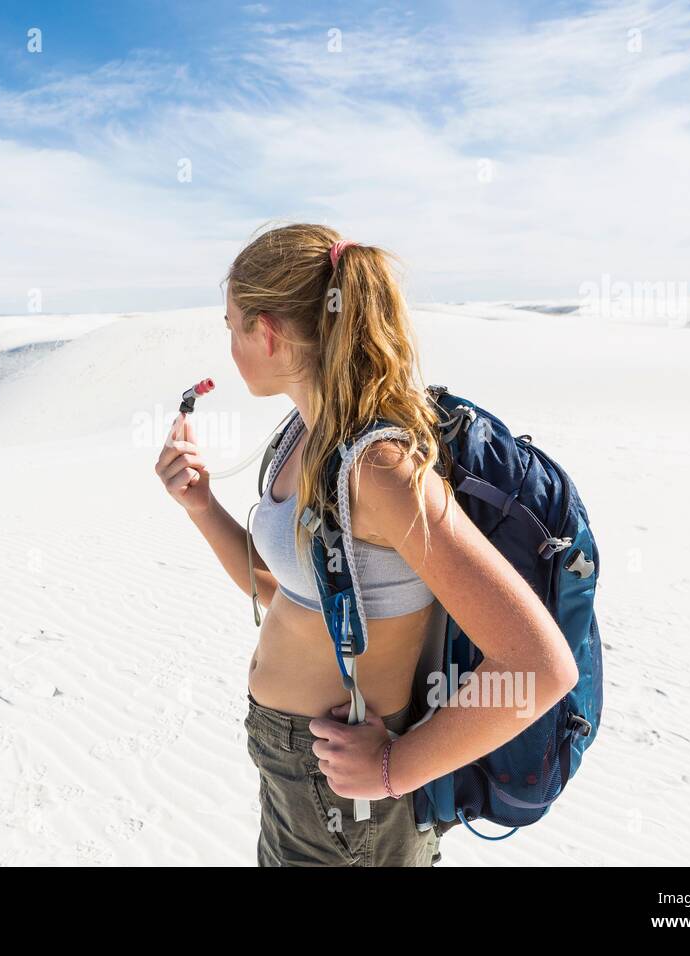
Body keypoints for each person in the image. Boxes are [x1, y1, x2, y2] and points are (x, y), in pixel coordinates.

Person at [153, 222, 578, 866]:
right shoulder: (304, 434)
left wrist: (393, 770)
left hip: (352, 800)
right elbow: (285, 594)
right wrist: (200, 506)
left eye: (232, 325)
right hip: (297, 770)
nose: (230, 345)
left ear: (267, 332)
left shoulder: (379, 469)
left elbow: (539, 668)